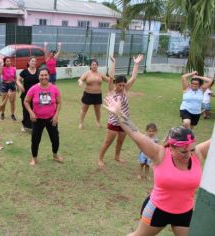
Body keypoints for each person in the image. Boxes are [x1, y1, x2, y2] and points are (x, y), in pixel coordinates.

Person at [103, 96, 210, 236]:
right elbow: (135, 133)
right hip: (158, 209)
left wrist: (192, 151)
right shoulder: (160, 154)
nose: (188, 155)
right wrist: (118, 113)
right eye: (183, 151)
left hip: (185, 212)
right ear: (171, 148)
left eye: (191, 150)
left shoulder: (197, 154)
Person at [98, 54, 144, 168]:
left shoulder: (124, 90)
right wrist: (113, 63)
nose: (122, 87)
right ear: (115, 84)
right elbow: (111, 77)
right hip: (114, 121)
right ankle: (100, 158)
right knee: (108, 142)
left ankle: (117, 156)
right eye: (119, 85)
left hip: (124, 121)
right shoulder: (111, 91)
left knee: (120, 141)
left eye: (123, 85)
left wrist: (136, 64)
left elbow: (133, 78)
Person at [24, 68, 63, 166]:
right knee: (35, 139)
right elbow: (26, 101)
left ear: (49, 76)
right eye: (41, 75)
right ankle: (34, 158)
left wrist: (56, 116)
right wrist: (31, 112)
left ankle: (55, 155)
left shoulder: (54, 88)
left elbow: (59, 103)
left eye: (46, 75)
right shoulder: (33, 89)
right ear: (38, 76)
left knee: (55, 138)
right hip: (37, 119)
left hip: (51, 119)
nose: (44, 77)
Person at [78, 59, 109, 129]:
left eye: (95, 65)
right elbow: (80, 79)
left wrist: (115, 80)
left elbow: (108, 80)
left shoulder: (100, 74)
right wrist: (80, 82)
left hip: (97, 95)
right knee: (84, 109)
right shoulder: (87, 73)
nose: (94, 66)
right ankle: (80, 123)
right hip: (88, 94)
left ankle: (98, 122)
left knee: (97, 110)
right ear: (90, 66)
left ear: (97, 66)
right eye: (93, 65)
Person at [16, 56, 40, 132]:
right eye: (32, 61)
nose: (33, 62)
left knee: (36, 110)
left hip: (36, 95)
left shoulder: (39, 71)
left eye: (34, 61)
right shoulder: (24, 71)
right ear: (28, 62)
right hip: (26, 94)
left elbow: (42, 81)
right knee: (26, 110)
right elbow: (17, 80)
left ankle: (35, 126)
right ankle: (23, 125)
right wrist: (20, 86)